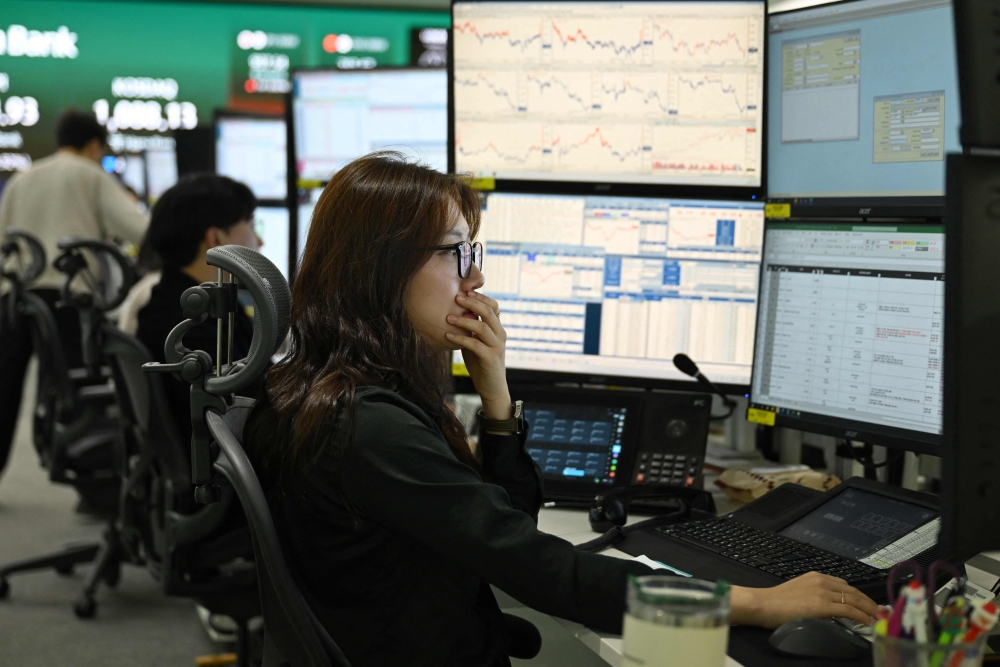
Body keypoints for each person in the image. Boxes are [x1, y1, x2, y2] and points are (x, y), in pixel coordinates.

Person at [244, 153, 879, 667]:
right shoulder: (366, 425)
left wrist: (496, 398)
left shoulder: (333, 390)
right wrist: (753, 602)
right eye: (458, 252)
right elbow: (545, 574)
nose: (477, 280)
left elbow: (499, 527)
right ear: (381, 269)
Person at [0, 109, 148, 481]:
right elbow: (141, 232)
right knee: (79, 394)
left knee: (3, 390)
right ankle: (84, 472)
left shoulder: (23, 177)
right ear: (94, 144)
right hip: (68, 302)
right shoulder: (91, 175)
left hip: (15, 300)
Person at [135, 174, 262, 442]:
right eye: (250, 225)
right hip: (228, 466)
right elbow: (255, 408)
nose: (258, 241)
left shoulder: (179, 302)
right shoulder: (192, 327)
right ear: (215, 238)